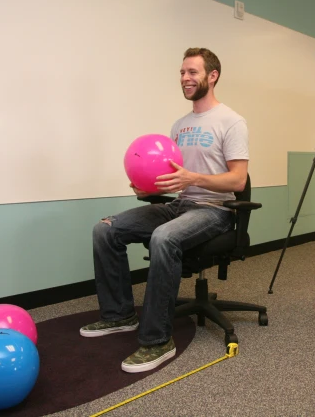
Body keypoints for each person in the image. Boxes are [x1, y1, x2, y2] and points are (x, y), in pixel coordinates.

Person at [80, 47, 249, 373]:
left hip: (216, 210)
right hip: (179, 205)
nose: (185, 78)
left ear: (212, 76)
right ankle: (119, 315)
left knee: (163, 238)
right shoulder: (179, 125)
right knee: (105, 229)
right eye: (183, 72)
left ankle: (158, 340)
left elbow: (239, 180)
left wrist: (194, 178)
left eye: (193, 72)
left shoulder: (232, 121)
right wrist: (150, 188)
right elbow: (174, 181)